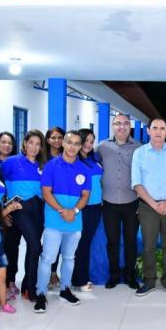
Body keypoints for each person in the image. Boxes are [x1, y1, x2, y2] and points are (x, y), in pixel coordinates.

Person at [34, 131, 91, 313]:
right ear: (63, 144)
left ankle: (65, 289)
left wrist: (73, 211)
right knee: (47, 258)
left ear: (80, 146)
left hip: (74, 221)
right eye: (69, 142)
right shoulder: (51, 166)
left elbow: (85, 196)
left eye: (77, 143)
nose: (73, 146)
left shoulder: (84, 170)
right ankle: (41, 293)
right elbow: (46, 192)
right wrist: (61, 210)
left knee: (69, 257)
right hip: (54, 221)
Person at [132, 118, 166, 298]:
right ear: (148, 131)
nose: (158, 132)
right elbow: (137, 183)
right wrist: (154, 205)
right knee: (149, 246)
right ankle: (149, 281)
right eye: (155, 128)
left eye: (162, 128)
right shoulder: (139, 153)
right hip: (148, 206)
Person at [0, 130, 46, 301]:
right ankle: (31, 288)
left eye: (38, 144)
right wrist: (4, 209)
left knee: (33, 249)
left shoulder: (42, 165)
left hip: (39, 208)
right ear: (25, 143)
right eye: (31, 142)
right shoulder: (11, 162)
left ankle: (27, 284)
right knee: (35, 247)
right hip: (19, 208)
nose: (34, 147)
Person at [98, 114, 142, 289]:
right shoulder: (101, 146)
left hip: (132, 202)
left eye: (125, 124)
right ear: (112, 126)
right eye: (118, 124)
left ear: (129, 126)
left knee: (131, 241)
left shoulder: (139, 148)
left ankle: (130, 276)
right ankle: (114, 275)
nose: (121, 127)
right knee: (112, 241)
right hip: (108, 202)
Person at [71, 128, 103, 292]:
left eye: (91, 141)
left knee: (86, 242)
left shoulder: (95, 158)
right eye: (86, 141)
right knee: (81, 243)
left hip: (96, 207)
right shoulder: (75, 162)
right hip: (83, 207)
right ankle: (79, 280)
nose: (89, 144)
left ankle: (80, 276)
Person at [0, 131, 22, 295]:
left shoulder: (15, 163)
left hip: (11, 212)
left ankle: (10, 280)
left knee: (12, 247)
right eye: (3, 142)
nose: (6, 145)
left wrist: (8, 210)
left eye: (10, 143)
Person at [45, 126, 65, 288]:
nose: (57, 141)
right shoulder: (41, 158)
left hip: (59, 204)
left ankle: (53, 273)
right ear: (48, 139)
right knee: (39, 243)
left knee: (55, 240)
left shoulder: (68, 157)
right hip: (41, 203)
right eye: (53, 137)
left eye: (60, 138)